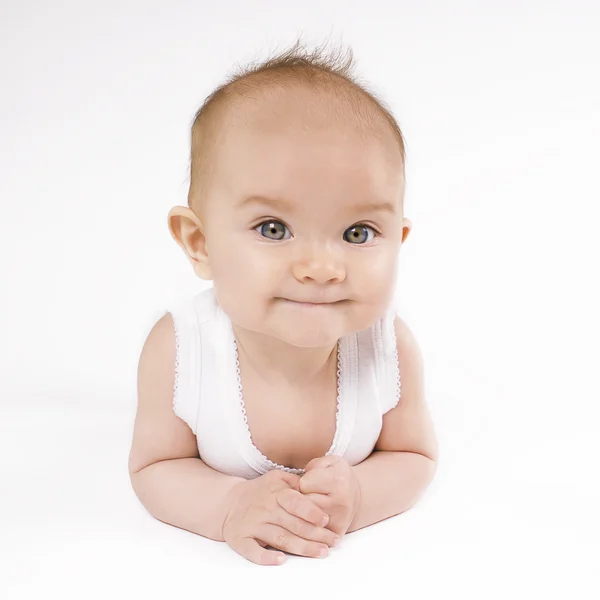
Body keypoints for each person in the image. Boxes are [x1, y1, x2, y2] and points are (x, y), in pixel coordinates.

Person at [128, 40, 438, 566]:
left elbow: (414, 457)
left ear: (398, 238)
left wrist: (361, 494)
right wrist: (228, 506)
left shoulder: (387, 347)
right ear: (199, 243)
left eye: (358, 233)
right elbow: (155, 468)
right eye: (274, 229)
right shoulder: (181, 350)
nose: (321, 266)